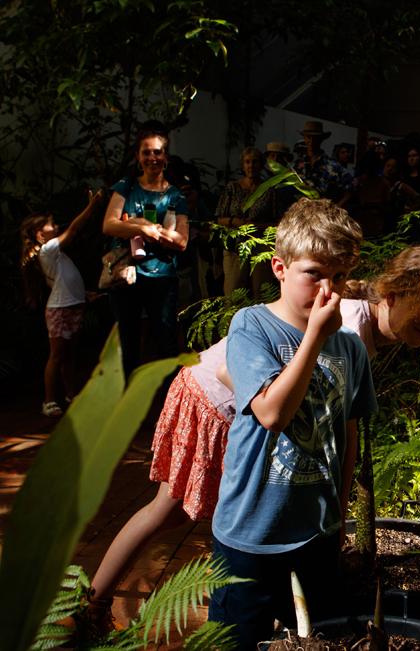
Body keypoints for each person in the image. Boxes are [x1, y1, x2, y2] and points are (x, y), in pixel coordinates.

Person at [83, 241, 420, 638]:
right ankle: (92, 603)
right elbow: (243, 376)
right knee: (169, 508)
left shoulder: (363, 331)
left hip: (251, 410)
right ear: (394, 292)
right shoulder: (342, 320)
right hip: (218, 400)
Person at [206, 197, 374, 650]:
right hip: (251, 533)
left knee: (322, 638)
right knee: (237, 640)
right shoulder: (252, 326)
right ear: (279, 268)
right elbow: (272, 414)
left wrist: (338, 515)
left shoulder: (351, 349)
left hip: (316, 533)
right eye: (314, 273)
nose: (328, 290)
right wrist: (315, 338)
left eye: (339, 277)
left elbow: (348, 434)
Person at [101, 122, 189, 378]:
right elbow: (108, 224)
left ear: (166, 157)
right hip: (127, 275)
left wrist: (142, 227)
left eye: (158, 152)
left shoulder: (175, 196)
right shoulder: (126, 188)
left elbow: (182, 241)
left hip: (161, 277)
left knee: (166, 343)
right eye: (147, 152)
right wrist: (150, 230)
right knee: (127, 344)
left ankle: (169, 407)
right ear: (138, 157)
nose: (153, 158)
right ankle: (126, 406)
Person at [20, 189, 104, 417]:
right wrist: (92, 206)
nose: (55, 226)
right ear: (40, 235)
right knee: (57, 355)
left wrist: (85, 294)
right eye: (51, 224)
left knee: (69, 355)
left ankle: (70, 394)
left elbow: (64, 281)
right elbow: (75, 229)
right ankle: (48, 401)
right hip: (59, 310)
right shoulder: (47, 250)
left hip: (73, 305)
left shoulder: (56, 255)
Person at [214, 147, 278, 296]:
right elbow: (219, 218)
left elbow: (278, 222)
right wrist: (235, 221)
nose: (251, 166)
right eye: (247, 162)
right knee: (233, 291)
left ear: (261, 165)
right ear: (242, 165)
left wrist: (257, 226)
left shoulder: (269, 189)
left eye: (255, 162)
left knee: (262, 292)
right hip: (235, 246)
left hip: (261, 246)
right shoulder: (233, 188)